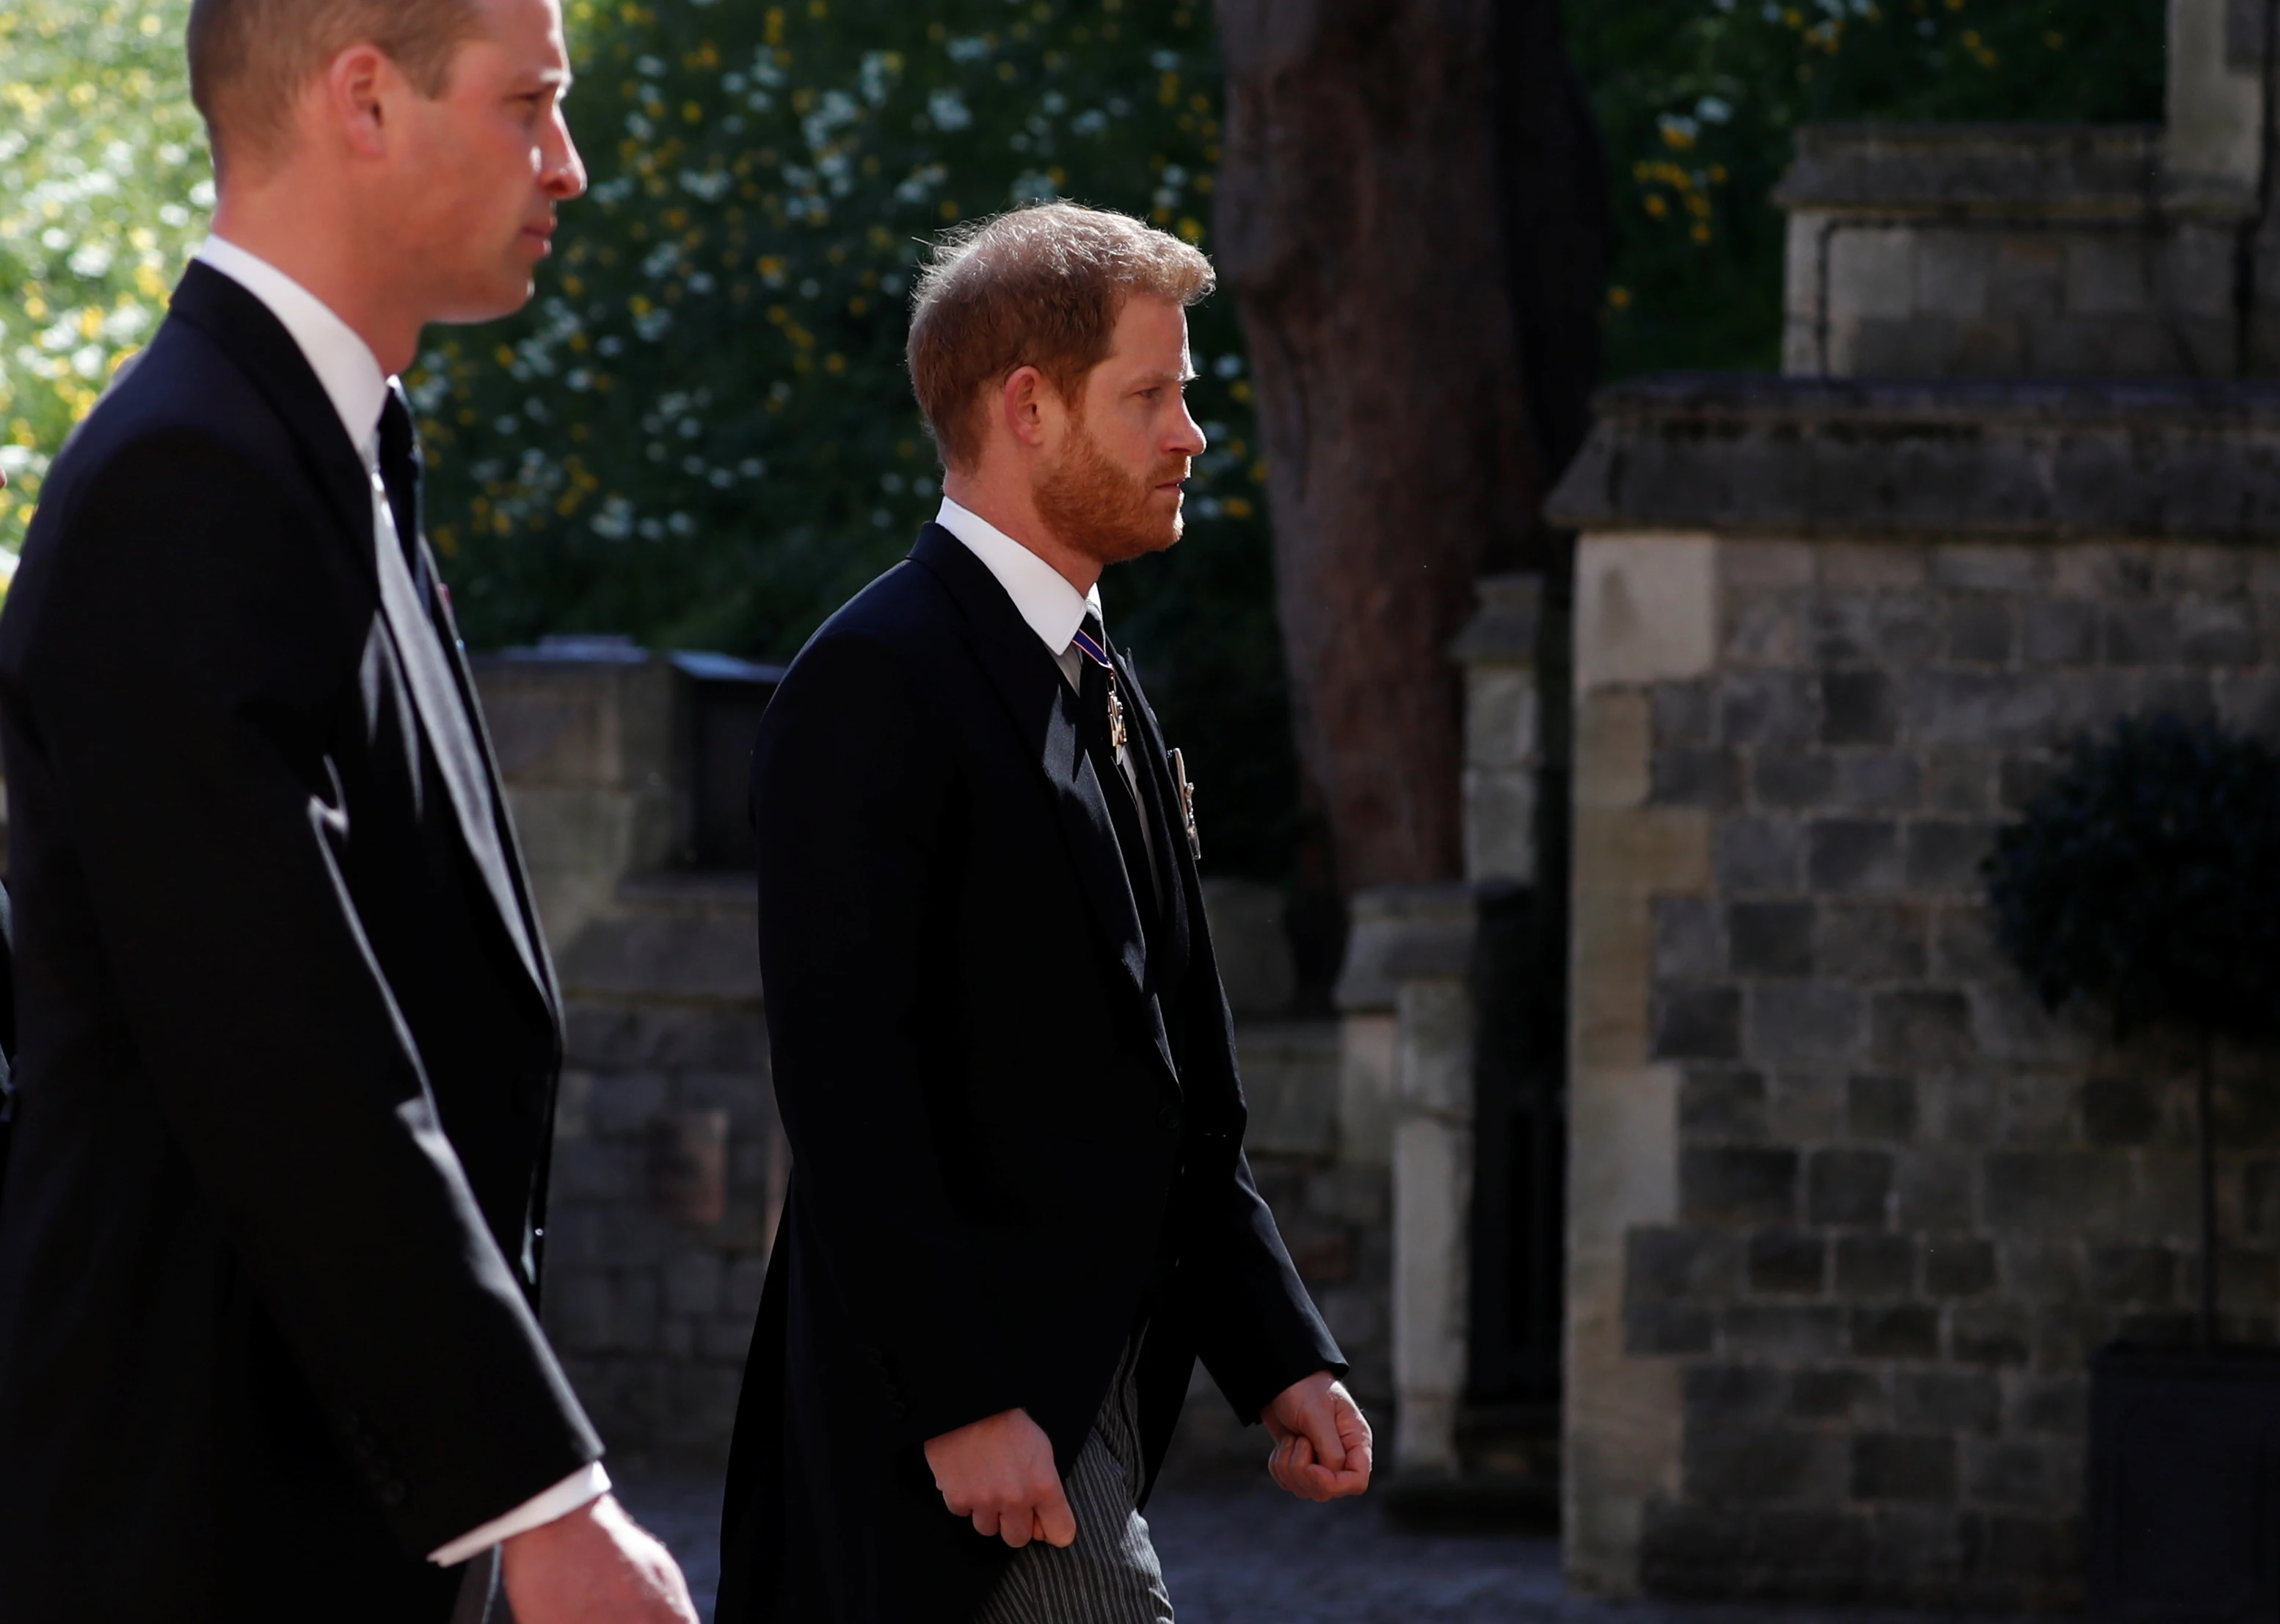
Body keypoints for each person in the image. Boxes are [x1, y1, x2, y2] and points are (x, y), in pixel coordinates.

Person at [0, 0, 695, 1618]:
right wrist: (544, 1497)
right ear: (364, 101)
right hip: (205, 1523)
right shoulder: (190, 480)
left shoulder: (322, 454)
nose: (567, 166)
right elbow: (281, 1045)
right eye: (530, 105)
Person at [716, 202, 1371, 1622]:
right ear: (1027, 406)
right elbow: (846, 1093)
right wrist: (960, 1404)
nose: (1190, 433)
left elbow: (1177, 1089)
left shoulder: (1101, 673)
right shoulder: (873, 682)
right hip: (963, 1443)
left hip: (1091, 1405)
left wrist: (1279, 1356)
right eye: (1151, 396)